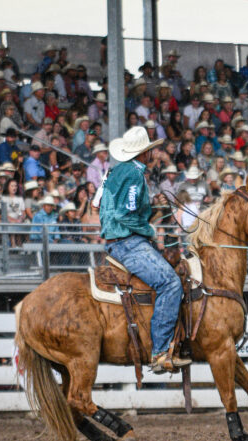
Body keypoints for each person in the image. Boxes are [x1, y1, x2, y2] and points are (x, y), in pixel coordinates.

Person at [100, 126, 187, 373]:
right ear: (144, 153)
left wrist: (149, 205)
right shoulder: (134, 174)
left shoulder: (116, 172)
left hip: (118, 241)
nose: (152, 154)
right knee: (171, 283)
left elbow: (115, 207)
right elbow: (124, 213)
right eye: (150, 150)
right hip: (130, 243)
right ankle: (160, 352)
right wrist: (149, 229)